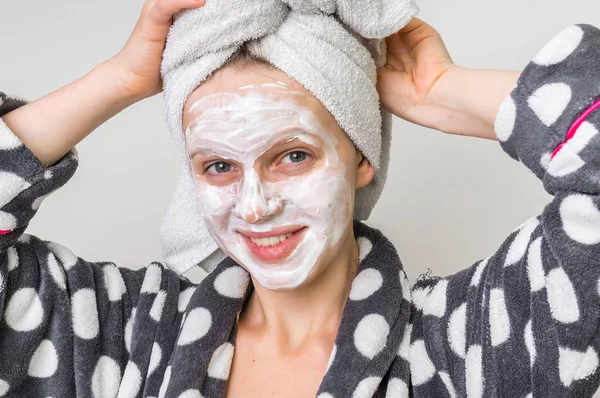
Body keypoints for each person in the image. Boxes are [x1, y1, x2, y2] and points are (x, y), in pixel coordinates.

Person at [1, 0, 599, 397]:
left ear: (362, 157)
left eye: (292, 155)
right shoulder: (125, 338)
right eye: (217, 166)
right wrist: (121, 78)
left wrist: (446, 93)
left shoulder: (470, 341)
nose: (254, 206)